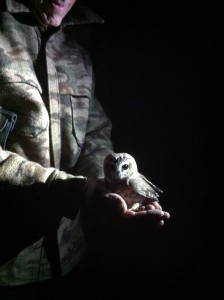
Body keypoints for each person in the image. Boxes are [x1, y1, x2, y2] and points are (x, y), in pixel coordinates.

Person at [0, 0, 170, 295]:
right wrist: (77, 190)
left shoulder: (76, 52)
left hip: (69, 259)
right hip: (7, 266)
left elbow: (93, 133)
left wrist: (112, 184)